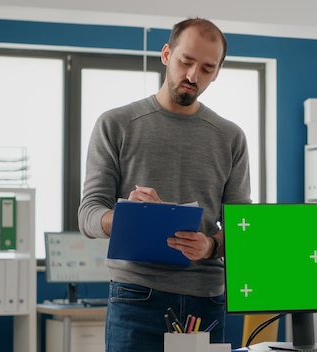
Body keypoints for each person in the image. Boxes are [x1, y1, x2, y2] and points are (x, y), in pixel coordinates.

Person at [78, 17, 251, 352]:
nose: (192, 76)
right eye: (186, 61)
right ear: (166, 54)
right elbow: (88, 214)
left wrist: (211, 246)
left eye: (206, 68)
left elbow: (242, 225)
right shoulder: (116, 124)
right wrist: (127, 215)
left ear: (217, 73)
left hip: (207, 300)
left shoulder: (231, 137)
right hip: (136, 296)